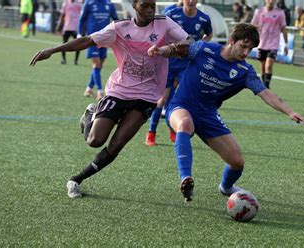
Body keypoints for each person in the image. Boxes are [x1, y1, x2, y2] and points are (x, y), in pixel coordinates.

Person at [29, 0, 189, 198]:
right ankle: (90, 113)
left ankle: (77, 179)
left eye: (152, 5)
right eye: (145, 6)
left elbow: (187, 43)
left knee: (117, 144)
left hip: (147, 95)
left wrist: (169, 49)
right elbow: (87, 40)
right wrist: (53, 50)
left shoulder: (164, 23)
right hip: (119, 91)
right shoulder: (119, 28)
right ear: (135, 6)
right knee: (95, 140)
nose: (150, 10)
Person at [147, 23, 304, 202]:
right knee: (185, 124)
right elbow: (178, 49)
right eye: (243, 46)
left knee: (237, 162)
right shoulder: (204, 49)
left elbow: (267, 94)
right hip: (181, 106)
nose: (246, 53)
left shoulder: (244, 71)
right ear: (232, 41)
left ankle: (226, 187)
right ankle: (186, 178)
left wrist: (290, 112)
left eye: (250, 49)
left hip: (208, 115)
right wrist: (161, 51)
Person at [145, 0, 213, 146]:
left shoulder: (204, 18)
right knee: (162, 100)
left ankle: (174, 129)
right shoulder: (171, 14)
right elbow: (158, 28)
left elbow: (209, 33)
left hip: (187, 65)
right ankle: (151, 133)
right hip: (168, 63)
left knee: (180, 99)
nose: (190, 1)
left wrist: (200, 44)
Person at [78, 0, 118, 100]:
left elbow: (116, 20)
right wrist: (79, 34)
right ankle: (100, 91)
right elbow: (82, 19)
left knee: (99, 65)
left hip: (106, 38)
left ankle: (89, 88)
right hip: (92, 39)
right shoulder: (89, 3)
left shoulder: (109, 4)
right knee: (96, 64)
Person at [251, 0, 288, 89]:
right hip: (261, 43)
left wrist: (286, 44)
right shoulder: (259, 12)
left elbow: (283, 29)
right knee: (263, 67)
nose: (271, 1)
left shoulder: (280, 13)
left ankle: (266, 86)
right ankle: (264, 86)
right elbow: (252, 26)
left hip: (273, 44)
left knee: (269, 65)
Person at [57, 0, 83, 65]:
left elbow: (83, 16)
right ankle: (63, 59)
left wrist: (83, 27)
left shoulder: (79, 4)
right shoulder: (65, 3)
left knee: (78, 45)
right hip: (67, 27)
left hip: (76, 28)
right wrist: (59, 25)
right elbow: (62, 15)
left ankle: (76, 60)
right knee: (64, 44)